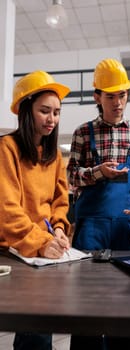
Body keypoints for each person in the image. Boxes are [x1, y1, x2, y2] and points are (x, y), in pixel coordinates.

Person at [67, 58, 130, 350]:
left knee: (123, 296)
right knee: (87, 300)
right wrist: (97, 173)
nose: (118, 102)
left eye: (122, 95)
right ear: (97, 97)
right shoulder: (83, 133)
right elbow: (70, 175)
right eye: (110, 96)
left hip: (123, 227)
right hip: (89, 229)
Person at [0, 70, 71, 350]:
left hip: (45, 252)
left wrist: (61, 230)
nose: (52, 119)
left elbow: (60, 202)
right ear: (26, 110)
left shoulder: (53, 157)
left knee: (43, 326)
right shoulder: (7, 149)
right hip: (14, 251)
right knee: (34, 328)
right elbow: (8, 210)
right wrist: (42, 242)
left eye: (56, 112)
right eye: (45, 111)